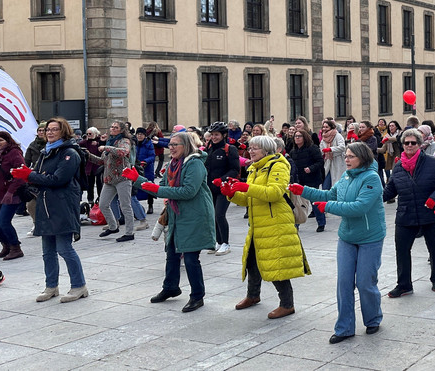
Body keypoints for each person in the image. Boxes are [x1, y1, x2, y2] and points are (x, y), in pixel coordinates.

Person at [291, 142, 385, 343]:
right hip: (347, 237)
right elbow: (329, 195)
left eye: (351, 156)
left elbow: (359, 207)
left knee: (365, 282)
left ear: (362, 158)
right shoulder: (346, 176)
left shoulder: (372, 178)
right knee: (344, 283)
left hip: (370, 237)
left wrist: (329, 207)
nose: (346, 159)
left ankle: (373, 318)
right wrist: (304, 190)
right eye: (346, 156)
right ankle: (344, 328)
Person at [125, 131, 215, 313]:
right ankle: (171, 287)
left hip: (195, 216)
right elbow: (163, 187)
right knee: (172, 253)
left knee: (190, 258)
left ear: (186, 146)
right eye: (170, 144)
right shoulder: (174, 164)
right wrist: (138, 180)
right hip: (178, 215)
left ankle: (197, 296)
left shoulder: (194, 164)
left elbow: (189, 191)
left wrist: (157, 189)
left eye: (175, 144)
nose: (171, 148)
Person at [223, 135, 310, 320]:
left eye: (255, 148)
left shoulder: (278, 165)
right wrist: (231, 194)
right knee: (253, 260)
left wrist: (245, 187)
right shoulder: (255, 168)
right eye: (250, 148)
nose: (250, 151)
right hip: (258, 223)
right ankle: (253, 295)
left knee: (276, 263)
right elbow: (249, 199)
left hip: (275, 223)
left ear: (266, 150)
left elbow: (274, 193)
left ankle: (287, 304)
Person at [14, 117, 88, 303]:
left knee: (64, 248)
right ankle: (51, 286)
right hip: (45, 205)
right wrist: (29, 175)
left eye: (55, 129)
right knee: (47, 251)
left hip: (62, 206)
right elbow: (40, 175)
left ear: (64, 131)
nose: (50, 132)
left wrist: (31, 175)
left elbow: (58, 179)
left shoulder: (69, 153)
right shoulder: (46, 152)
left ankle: (79, 286)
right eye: (48, 129)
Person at [383, 128, 435, 297]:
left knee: (434, 248)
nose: (410, 145)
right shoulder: (398, 166)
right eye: (407, 143)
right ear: (403, 145)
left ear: (420, 145)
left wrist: (434, 198)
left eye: (414, 143)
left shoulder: (432, 162)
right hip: (406, 214)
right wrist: (373, 197)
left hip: (429, 213)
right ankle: (404, 285)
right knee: (402, 250)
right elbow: (390, 190)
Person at [0, 131, 26, 260]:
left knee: (3, 221)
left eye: (0, 140)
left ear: (8, 141)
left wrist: (10, 192)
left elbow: (21, 173)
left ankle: (16, 247)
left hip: (11, 194)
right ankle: (6, 244)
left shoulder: (14, 153)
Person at [203, 123, 240, 254]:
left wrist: (222, 179)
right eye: (212, 135)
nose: (214, 137)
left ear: (223, 135)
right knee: (212, 215)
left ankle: (226, 243)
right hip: (210, 188)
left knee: (220, 214)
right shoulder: (209, 149)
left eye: (216, 135)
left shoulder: (229, 149)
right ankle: (218, 242)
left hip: (224, 188)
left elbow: (235, 169)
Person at [97, 120, 137, 242]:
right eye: (112, 127)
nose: (113, 129)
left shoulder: (124, 141)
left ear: (121, 130)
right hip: (109, 179)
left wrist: (106, 147)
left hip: (123, 178)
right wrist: (87, 155)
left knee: (125, 206)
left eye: (116, 127)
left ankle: (129, 233)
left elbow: (123, 152)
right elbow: (102, 161)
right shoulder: (110, 141)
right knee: (103, 204)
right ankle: (113, 226)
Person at [288, 128, 325, 230]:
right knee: (298, 203)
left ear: (304, 138)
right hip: (299, 180)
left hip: (312, 179)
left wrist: (311, 168)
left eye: (299, 136)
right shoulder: (293, 151)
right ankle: (297, 224)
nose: (297, 138)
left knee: (315, 202)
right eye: (295, 136)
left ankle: (321, 223)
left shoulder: (312, 148)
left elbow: (320, 161)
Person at [320, 118, 347, 218]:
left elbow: (342, 147)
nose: (325, 129)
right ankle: (325, 207)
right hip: (328, 163)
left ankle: (341, 206)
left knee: (338, 186)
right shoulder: (323, 138)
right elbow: (321, 149)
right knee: (325, 186)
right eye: (323, 127)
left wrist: (331, 149)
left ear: (331, 127)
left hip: (337, 163)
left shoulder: (337, 135)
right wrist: (323, 151)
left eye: (327, 127)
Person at [134, 127, 156, 215]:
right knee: (135, 187)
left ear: (144, 135)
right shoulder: (133, 143)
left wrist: (145, 161)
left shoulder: (149, 144)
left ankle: (150, 205)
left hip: (147, 169)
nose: (139, 136)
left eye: (141, 134)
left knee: (149, 186)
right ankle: (136, 205)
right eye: (138, 134)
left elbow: (152, 156)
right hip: (136, 168)